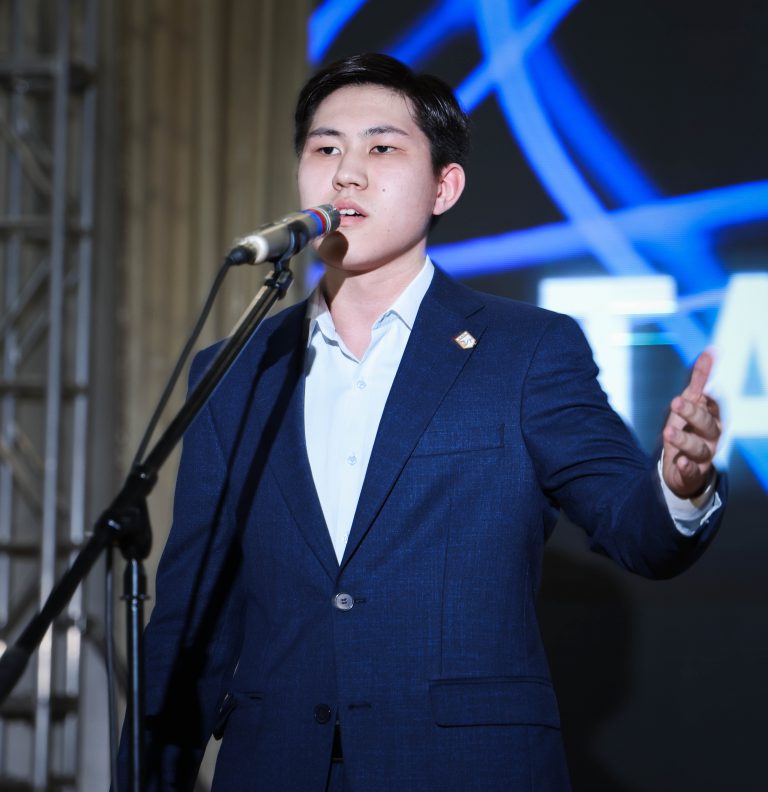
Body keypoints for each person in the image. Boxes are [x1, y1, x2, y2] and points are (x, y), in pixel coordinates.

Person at [121, 53, 725, 791]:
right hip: (276, 765)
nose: (347, 174)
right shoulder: (238, 368)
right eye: (325, 148)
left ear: (445, 186)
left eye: (381, 148)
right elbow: (191, 620)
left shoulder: (525, 350)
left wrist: (680, 484)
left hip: (464, 768)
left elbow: (637, 529)